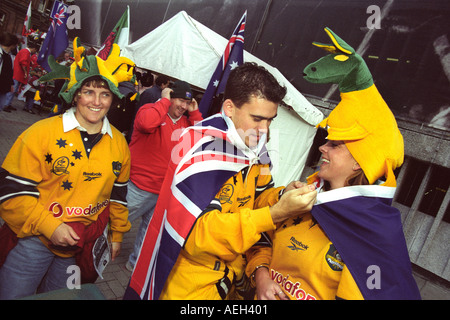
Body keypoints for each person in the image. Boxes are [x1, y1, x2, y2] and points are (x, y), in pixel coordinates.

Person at [247, 28, 421, 300]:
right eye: (327, 140)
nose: (322, 147)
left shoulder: (373, 235)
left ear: (359, 163)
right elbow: (260, 238)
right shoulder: (304, 195)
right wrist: (261, 276)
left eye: (336, 145)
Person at [124, 62, 317, 300]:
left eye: (271, 120)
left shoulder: (256, 145)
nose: (265, 129)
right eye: (257, 118)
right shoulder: (199, 147)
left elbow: (258, 197)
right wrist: (274, 214)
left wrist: (281, 195)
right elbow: (198, 235)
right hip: (190, 287)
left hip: (229, 280)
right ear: (229, 108)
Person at [0, 38, 135, 299]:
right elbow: (11, 192)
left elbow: (117, 195)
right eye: (88, 92)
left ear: (112, 98)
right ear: (75, 94)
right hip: (33, 239)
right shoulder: (41, 133)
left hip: (79, 248)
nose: (96, 101)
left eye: (105, 93)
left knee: (60, 297)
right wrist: (51, 227)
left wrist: (117, 235)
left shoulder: (119, 143)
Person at [125, 80, 203, 272]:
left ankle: (135, 265)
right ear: (170, 96)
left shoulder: (186, 122)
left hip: (163, 191)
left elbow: (201, 142)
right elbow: (146, 123)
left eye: (187, 103)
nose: (183, 107)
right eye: (180, 101)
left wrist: (194, 113)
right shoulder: (151, 109)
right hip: (137, 186)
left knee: (147, 234)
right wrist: (164, 101)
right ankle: (88, 257)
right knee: (113, 224)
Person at [3, 42, 40, 112]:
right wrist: (26, 72)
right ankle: (6, 104)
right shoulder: (25, 52)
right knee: (13, 90)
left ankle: (8, 103)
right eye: (35, 50)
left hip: (18, 74)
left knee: (14, 90)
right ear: (34, 49)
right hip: (18, 74)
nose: (35, 52)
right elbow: (23, 62)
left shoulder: (25, 52)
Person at [0, 32, 19, 112]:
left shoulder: (8, 55)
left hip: (3, 87)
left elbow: (9, 71)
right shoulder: (2, 54)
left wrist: (11, 84)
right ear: (12, 45)